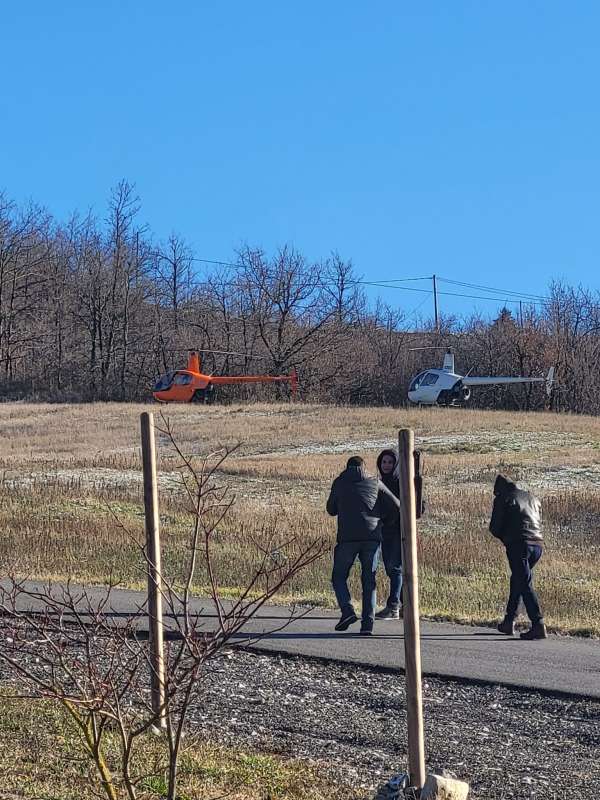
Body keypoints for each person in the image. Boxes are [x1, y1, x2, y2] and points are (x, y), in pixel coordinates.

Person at [326, 456, 400, 635]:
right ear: (364, 466)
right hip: (372, 537)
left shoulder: (340, 482)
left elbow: (331, 509)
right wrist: (384, 520)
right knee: (369, 581)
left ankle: (347, 610)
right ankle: (367, 625)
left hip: (347, 538)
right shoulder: (374, 481)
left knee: (339, 576)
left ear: (347, 467)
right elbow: (396, 504)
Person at [489, 474, 546, 640]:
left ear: (499, 489)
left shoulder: (503, 498)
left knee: (524, 582)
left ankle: (538, 624)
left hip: (519, 544)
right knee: (519, 580)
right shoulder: (531, 497)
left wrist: (505, 538)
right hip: (537, 545)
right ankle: (509, 621)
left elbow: (494, 527)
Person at [374, 448, 403, 620]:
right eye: (384, 462)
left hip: (398, 530)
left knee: (395, 568)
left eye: (390, 462)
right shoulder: (378, 482)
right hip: (384, 531)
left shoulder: (400, 482)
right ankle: (402, 604)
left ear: (396, 464)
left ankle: (393, 607)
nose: (386, 465)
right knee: (391, 569)